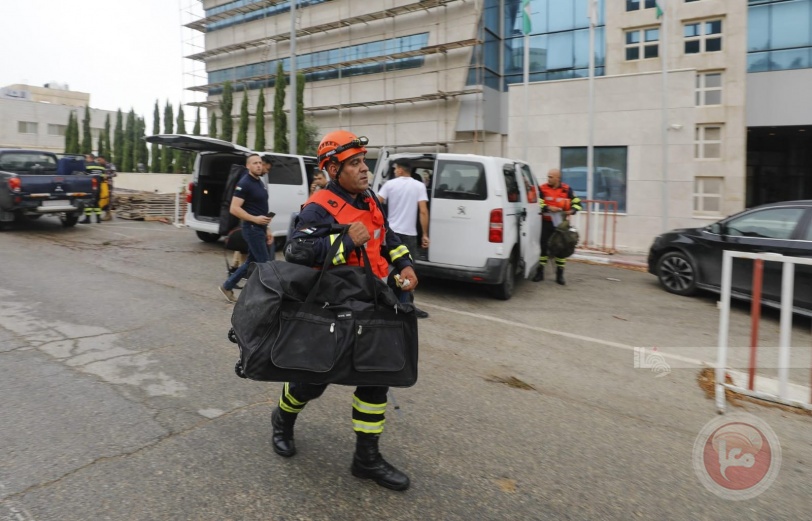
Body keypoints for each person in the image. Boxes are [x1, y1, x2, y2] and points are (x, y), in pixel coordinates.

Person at [272, 130, 418, 491]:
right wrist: (344, 241)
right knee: (313, 381)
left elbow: (389, 239)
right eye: (354, 164)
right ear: (333, 169)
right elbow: (297, 251)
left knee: (375, 379)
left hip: (372, 304)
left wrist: (404, 266)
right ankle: (282, 419)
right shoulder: (319, 205)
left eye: (363, 161)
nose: (364, 169)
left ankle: (365, 460)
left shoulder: (370, 198)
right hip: (332, 308)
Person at [376, 157, 430, 319]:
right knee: (408, 272)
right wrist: (425, 234)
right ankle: (406, 306)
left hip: (390, 235)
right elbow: (423, 211)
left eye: (395, 169)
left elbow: (375, 205)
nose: (394, 171)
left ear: (400, 169)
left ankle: (389, 303)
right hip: (409, 235)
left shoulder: (389, 185)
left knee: (389, 271)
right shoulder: (419, 186)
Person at [218, 154, 273, 303]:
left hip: (260, 228)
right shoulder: (245, 183)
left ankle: (227, 286)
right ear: (248, 166)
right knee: (264, 264)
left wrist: (267, 228)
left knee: (251, 262)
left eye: (260, 163)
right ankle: (267, 297)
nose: (259, 165)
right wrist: (255, 219)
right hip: (252, 228)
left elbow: (260, 208)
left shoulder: (259, 182)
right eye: (255, 163)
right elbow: (234, 209)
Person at [533, 168, 582, 285]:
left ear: (557, 178)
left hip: (561, 225)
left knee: (561, 248)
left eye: (550, 177)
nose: (548, 179)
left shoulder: (567, 189)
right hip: (546, 223)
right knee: (543, 247)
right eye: (548, 176)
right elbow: (538, 202)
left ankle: (560, 274)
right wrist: (548, 208)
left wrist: (571, 211)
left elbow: (578, 203)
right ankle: (540, 273)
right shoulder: (542, 188)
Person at [81, 154, 104, 223]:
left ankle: (88, 219)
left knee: (88, 202)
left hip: (90, 186)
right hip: (99, 186)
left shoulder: (87, 166)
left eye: (87, 158)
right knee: (97, 203)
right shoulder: (101, 167)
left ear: (90, 158)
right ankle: (98, 219)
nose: (86, 159)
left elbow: (84, 176)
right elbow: (102, 177)